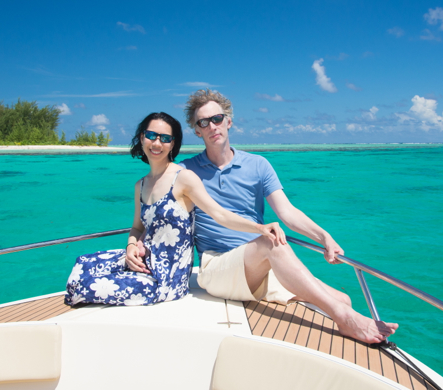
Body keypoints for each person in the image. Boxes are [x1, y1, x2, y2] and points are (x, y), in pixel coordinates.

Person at [170, 89, 398, 344]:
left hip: (258, 266)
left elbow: (287, 212)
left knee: (343, 298)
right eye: (204, 122)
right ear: (197, 130)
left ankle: (345, 312)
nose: (212, 126)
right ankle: (346, 320)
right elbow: (161, 210)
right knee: (272, 240)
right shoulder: (186, 170)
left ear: (229, 121)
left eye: (217, 118)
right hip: (218, 268)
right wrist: (138, 242)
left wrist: (325, 237)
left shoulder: (258, 165)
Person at [65, 111, 284, 307]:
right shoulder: (140, 185)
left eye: (165, 138)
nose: (157, 143)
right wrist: (131, 246)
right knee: (83, 265)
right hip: (144, 261)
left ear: (173, 144)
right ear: (142, 138)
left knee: (85, 287)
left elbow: (219, 214)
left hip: (168, 277)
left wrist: (260, 228)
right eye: (151, 135)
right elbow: (136, 227)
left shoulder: (183, 178)